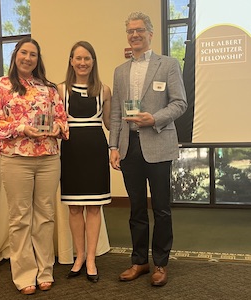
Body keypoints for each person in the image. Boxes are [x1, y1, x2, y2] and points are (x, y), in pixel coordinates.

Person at [0, 37, 69, 295]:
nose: (28, 58)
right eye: (24, 53)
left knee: (45, 217)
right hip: (16, 159)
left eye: (33, 54)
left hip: (48, 159)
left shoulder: (49, 88)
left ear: (37, 59)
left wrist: (56, 128)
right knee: (19, 218)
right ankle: (23, 275)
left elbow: (64, 122)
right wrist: (22, 128)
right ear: (15, 55)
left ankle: (45, 271)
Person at [109, 12, 187, 286]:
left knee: (162, 209)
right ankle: (140, 261)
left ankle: (161, 264)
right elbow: (116, 114)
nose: (134, 35)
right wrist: (113, 146)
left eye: (140, 30)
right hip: (129, 148)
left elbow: (180, 103)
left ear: (150, 34)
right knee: (136, 208)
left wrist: (154, 118)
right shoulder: (120, 71)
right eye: (130, 31)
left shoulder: (168, 65)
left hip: (158, 143)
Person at [58, 41, 111, 283]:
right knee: (75, 207)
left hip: (95, 151)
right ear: (71, 61)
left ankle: (91, 258)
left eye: (87, 58)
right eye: (78, 58)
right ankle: (78, 256)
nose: (82, 62)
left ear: (93, 61)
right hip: (71, 152)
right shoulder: (60, 91)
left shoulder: (104, 90)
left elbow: (111, 123)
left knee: (94, 207)